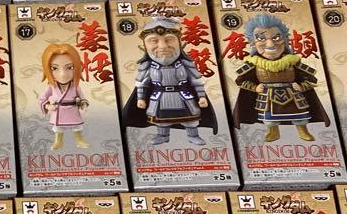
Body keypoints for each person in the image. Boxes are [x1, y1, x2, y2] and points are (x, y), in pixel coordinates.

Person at [121, 16, 217, 147]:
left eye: (169, 40)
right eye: (154, 41)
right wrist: (141, 98)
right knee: (161, 120)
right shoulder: (147, 67)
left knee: (191, 119)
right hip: (160, 97)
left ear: (179, 42)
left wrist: (201, 96)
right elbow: (142, 84)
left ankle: (193, 135)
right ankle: (162, 135)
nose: (163, 46)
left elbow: (196, 81)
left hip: (183, 96)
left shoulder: (185, 64)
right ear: (144, 45)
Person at [231, 13, 329, 143]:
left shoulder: (292, 62)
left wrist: (301, 87)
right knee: (270, 119)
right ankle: (273, 132)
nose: (270, 44)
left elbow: (312, 80)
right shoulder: (254, 64)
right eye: (261, 38)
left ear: (285, 39)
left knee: (299, 117)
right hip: (267, 97)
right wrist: (255, 88)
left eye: (276, 37)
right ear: (253, 43)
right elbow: (240, 81)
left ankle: (303, 130)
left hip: (292, 95)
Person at [37, 42, 89, 150]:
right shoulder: (52, 86)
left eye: (70, 67)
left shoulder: (75, 86)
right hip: (58, 110)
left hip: (72, 110)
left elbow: (83, 97)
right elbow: (42, 98)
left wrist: (83, 104)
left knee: (77, 127)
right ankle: (58, 142)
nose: (63, 74)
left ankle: (79, 140)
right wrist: (48, 106)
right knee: (58, 128)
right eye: (54, 68)